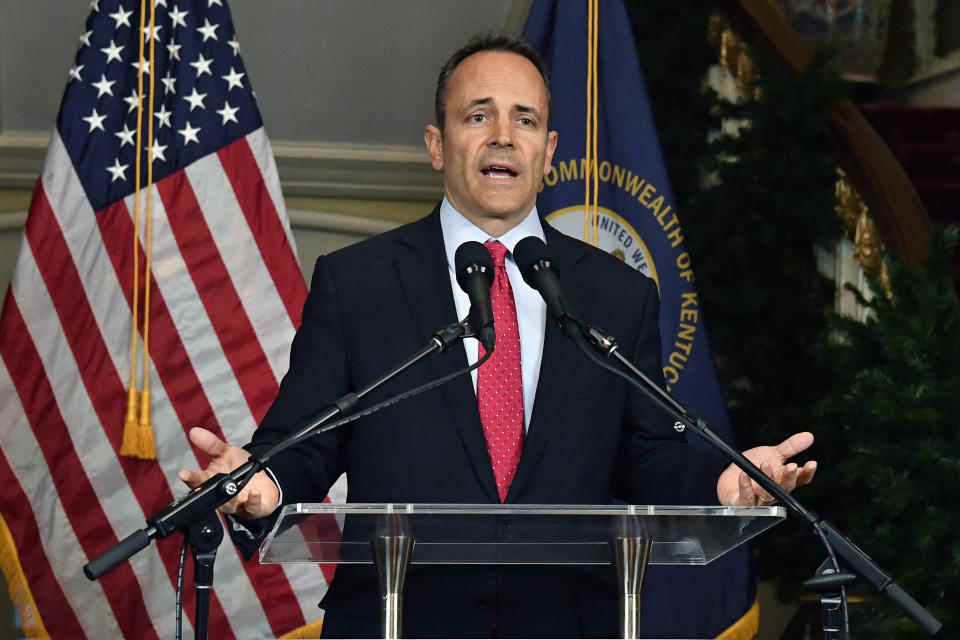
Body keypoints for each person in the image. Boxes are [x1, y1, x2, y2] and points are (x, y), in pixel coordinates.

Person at [179, 34, 817, 638]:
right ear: (437, 144)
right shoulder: (358, 283)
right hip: (396, 621)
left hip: (569, 626)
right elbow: (309, 441)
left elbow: (649, 453)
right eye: (478, 116)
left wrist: (725, 486)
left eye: (526, 120)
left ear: (549, 150)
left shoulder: (615, 294)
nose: (504, 137)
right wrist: (265, 486)